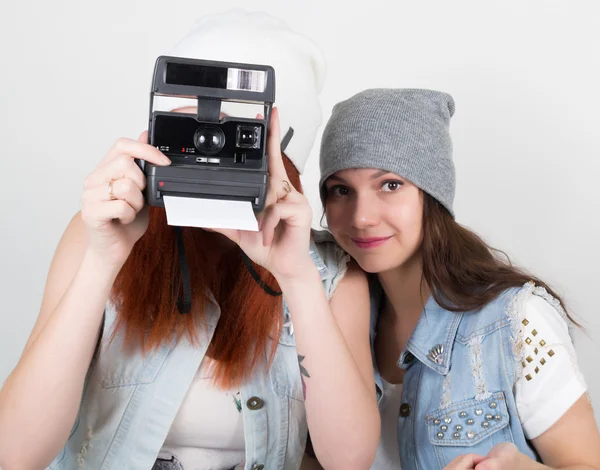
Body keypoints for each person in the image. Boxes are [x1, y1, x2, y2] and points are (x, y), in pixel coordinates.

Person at [0, 12, 380, 470]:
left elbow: (350, 461)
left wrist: (296, 276)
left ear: (284, 154)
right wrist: (103, 261)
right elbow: (15, 453)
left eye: (230, 135)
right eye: (192, 128)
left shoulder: (330, 272)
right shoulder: (100, 235)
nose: (207, 147)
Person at [318, 88, 600, 470]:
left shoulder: (516, 321)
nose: (361, 216)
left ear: (432, 193)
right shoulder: (322, 312)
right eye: (341, 190)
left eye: (390, 184)